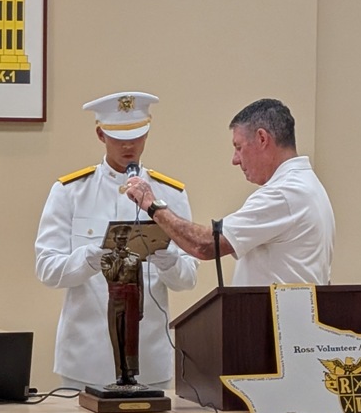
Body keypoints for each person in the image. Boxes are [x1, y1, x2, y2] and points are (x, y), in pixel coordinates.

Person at [35, 91, 199, 390]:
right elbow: (47, 269)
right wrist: (88, 259)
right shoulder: (70, 191)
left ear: (147, 133)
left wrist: (170, 263)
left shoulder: (170, 193)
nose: (128, 146)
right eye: (119, 137)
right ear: (101, 135)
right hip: (87, 356)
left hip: (149, 356)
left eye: (136, 136)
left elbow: (187, 279)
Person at [125, 98, 335, 286]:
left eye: (239, 147)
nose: (235, 160)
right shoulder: (310, 186)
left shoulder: (284, 193)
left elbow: (206, 245)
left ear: (262, 138)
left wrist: (152, 205)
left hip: (275, 318)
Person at [100, 225, 144, 386]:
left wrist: (141, 307)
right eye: (119, 239)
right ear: (114, 240)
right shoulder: (107, 259)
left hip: (132, 299)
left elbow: (140, 285)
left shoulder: (136, 258)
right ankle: (120, 373)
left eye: (125, 238)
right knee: (117, 337)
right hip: (116, 299)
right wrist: (119, 259)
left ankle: (131, 373)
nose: (122, 241)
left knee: (131, 338)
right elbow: (110, 276)